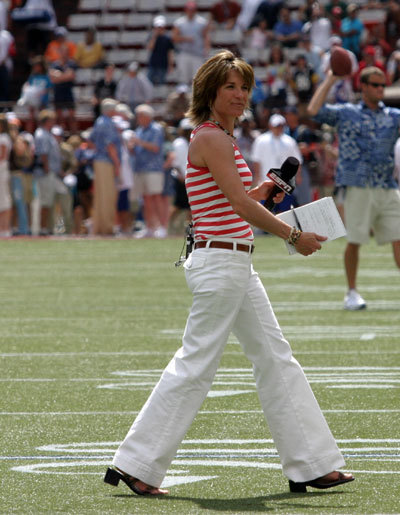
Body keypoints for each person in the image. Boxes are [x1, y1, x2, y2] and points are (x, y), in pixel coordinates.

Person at [106, 49, 353, 497]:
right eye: (230, 87)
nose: (240, 95)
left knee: (276, 359)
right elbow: (240, 205)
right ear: (210, 92)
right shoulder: (212, 138)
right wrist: (292, 235)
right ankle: (137, 464)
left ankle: (311, 464)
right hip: (221, 263)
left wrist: (267, 191)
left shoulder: (220, 137)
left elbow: (237, 198)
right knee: (197, 364)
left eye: (244, 87)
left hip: (233, 260)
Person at [307, 66, 400, 310]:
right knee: (355, 240)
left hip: (387, 185)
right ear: (364, 87)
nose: (381, 89)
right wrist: (331, 78)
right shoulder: (347, 112)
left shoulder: (392, 114)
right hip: (358, 185)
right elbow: (313, 110)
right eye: (376, 85)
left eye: (383, 85)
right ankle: (351, 292)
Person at [130, 104, 166, 239]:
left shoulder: (156, 129)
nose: (138, 118)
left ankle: (162, 227)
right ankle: (149, 227)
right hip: (140, 168)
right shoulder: (139, 130)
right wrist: (132, 147)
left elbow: (155, 148)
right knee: (145, 199)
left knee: (156, 197)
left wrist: (139, 142)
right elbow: (138, 149)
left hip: (153, 169)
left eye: (140, 115)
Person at [89, 98, 121, 236]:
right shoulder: (107, 123)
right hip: (106, 162)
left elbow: (90, 141)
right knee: (108, 196)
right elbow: (110, 146)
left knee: (100, 196)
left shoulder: (99, 121)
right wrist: (117, 164)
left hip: (99, 161)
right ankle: (107, 228)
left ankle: (99, 227)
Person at [34, 109, 61, 235]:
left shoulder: (46, 133)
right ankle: (43, 228)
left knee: (49, 201)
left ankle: (48, 227)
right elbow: (43, 154)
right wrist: (47, 169)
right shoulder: (42, 134)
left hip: (50, 172)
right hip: (45, 173)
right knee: (45, 201)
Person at [171, 1, 211, 87]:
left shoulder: (202, 22)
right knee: (183, 78)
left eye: (192, 10)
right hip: (184, 53)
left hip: (197, 54)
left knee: (197, 78)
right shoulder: (179, 23)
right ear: (185, 10)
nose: (191, 11)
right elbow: (174, 38)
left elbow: (206, 37)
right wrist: (185, 39)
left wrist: (206, 51)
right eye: (189, 9)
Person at [146, 15, 175, 86]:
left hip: (163, 65)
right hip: (153, 64)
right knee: (149, 84)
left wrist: (170, 65)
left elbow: (170, 53)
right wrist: (154, 36)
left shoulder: (167, 39)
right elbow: (150, 48)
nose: (159, 29)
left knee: (161, 84)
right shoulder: (152, 37)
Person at [0, 113, 12, 237]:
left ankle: (4, 229)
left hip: (1, 171)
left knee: (4, 200)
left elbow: (2, 157)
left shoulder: (3, 138)